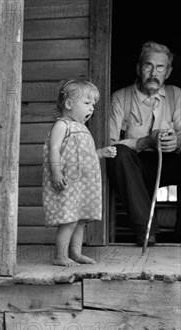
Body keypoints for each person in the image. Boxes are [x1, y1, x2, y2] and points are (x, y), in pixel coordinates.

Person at [108, 41, 181, 246]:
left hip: (169, 163)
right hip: (135, 167)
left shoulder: (177, 96)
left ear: (168, 72)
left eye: (160, 67)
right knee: (118, 153)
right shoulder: (120, 99)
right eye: (148, 66)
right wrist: (144, 142)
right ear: (139, 68)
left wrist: (176, 142)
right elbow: (109, 144)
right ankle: (146, 232)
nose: (153, 73)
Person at [43, 79, 117, 266]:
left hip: (83, 185)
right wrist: (56, 172)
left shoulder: (83, 129)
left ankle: (75, 253)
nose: (91, 108)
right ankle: (60, 256)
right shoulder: (62, 125)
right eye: (86, 103)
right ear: (68, 104)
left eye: (93, 104)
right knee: (68, 220)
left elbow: (86, 156)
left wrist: (101, 153)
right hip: (68, 182)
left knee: (80, 220)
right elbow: (54, 148)